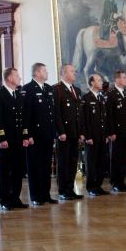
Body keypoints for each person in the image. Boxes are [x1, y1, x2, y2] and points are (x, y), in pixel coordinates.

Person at [0, 68, 30, 210]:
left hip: (18, 139)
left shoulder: (18, 95)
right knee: (5, 170)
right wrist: (2, 138)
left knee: (18, 170)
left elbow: (23, 118)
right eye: (17, 75)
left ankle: (15, 198)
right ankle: (4, 199)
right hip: (6, 140)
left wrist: (25, 136)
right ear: (9, 78)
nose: (19, 78)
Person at [23, 63, 58, 206]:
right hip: (35, 135)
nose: (47, 73)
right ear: (37, 73)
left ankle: (45, 194)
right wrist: (28, 135)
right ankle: (36, 196)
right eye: (44, 70)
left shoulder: (49, 89)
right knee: (34, 166)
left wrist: (54, 132)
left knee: (46, 166)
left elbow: (52, 113)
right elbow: (26, 115)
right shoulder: (28, 89)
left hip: (48, 134)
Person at [54, 64, 85, 200]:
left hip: (75, 132)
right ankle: (62, 191)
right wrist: (60, 131)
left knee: (73, 162)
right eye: (72, 71)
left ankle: (70, 189)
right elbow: (57, 113)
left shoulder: (76, 90)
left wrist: (81, 132)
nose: (75, 73)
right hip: (64, 134)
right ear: (64, 73)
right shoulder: (57, 89)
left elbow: (79, 113)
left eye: (75, 71)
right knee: (63, 163)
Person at [81, 74, 110, 196]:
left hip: (102, 136)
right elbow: (84, 120)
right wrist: (87, 136)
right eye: (99, 80)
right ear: (92, 83)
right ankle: (91, 187)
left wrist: (107, 135)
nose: (101, 82)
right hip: (92, 136)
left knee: (101, 162)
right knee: (91, 162)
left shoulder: (101, 98)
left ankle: (98, 185)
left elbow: (105, 118)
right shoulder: (86, 98)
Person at [106, 70, 126, 192]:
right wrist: (111, 132)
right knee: (116, 158)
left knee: (123, 158)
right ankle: (115, 182)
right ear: (117, 79)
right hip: (116, 132)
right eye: (123, 77)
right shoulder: (111, 94)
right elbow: (109, 115)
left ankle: (121, 182)